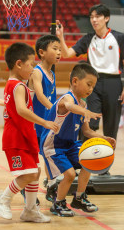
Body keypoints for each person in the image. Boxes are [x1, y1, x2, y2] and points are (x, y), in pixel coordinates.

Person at [0, 42, 59, 222]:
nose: (34, 67)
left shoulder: (16, 84)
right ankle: (3, 199)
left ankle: (30, 210)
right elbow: (21, 110)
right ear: (18, 64)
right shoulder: (17, 86)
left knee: (35, 172)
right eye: (31, 64)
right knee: (27, 174)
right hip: (16, 138)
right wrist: (45, 121)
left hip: (25, 135)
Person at [40, 63, 116, 217]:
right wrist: (85, 111)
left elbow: (86, 131)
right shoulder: (68, 98)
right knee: (69, 174)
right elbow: (68, 106)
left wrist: (103, 138)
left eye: (93, 86)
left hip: (70, 144)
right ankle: (58, 204)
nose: (90, 89)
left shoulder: (83, 103)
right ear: (75, 81)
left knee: (88, 162)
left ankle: (79, 198)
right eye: (88, 84)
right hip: (53, 145)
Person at [56, 4, 124, 149]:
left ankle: (105, 168)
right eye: (91, 17)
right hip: (92, 83)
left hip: (113, 82)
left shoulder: (118, 37)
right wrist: (61, 37)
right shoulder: (88, 39)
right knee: (89, 121)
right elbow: (67, 53)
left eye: (97, 16)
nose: (94, 20)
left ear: (107, 18)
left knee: (111, 124)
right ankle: (82, 159)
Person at [27, 35, 60, 202]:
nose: (59, 52)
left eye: (60, 49)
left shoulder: (52, 73)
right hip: (35, 122)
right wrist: (53, 109)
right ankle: (27, 189)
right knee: (34, 160)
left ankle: (51, 186)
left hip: (47, 122)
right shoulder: (37, 72)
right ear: (41, 52)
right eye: (55, 48)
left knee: (49, 154)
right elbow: (39, 95)